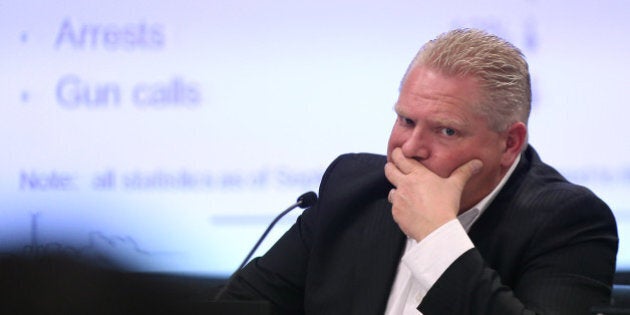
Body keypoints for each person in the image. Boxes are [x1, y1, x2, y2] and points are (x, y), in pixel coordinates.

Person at [216, 28, 618, 314]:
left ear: (509, 143)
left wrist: (437, 237)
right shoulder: (354, 188)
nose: (409, 149)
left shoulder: (570, 223)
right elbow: (242, 306)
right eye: (406, 121)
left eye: (446, 130)